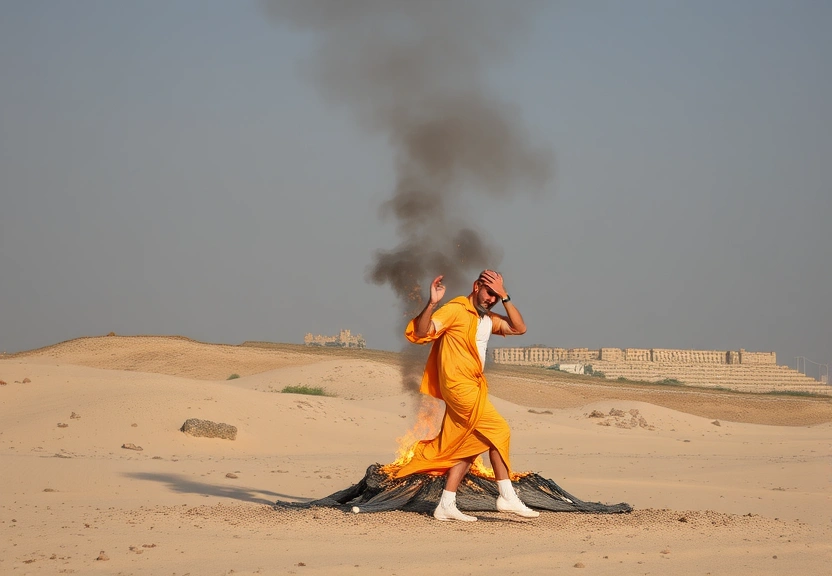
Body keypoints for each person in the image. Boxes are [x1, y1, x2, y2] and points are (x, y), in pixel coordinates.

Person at [394, 269, 539, 522]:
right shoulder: (456, 309)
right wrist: (432, 303)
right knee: (500, 431)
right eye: (489, 292)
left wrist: (506, 297)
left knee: (471, 443)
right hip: (458, 386)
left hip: (474, 386)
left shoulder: (487, 319)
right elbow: (422, 331)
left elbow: (520, 328)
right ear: (476, 287)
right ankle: (506, 496)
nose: (491, 299)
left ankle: (446, 504)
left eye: (496, 295)